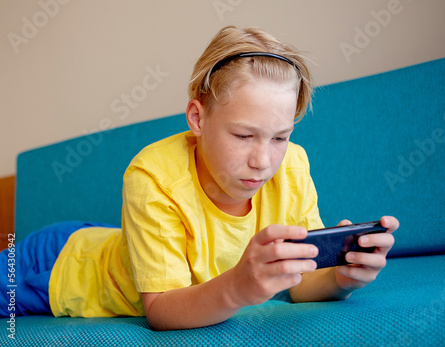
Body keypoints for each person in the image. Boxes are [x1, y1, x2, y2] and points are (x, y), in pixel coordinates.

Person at [0, 26, 398, 330]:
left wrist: (341, 278)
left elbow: (299, 282)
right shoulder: (151, 174)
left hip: (120, 245)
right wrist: (238, 286)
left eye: (280, 137)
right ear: (198, 118)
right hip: (61, 264)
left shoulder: (293, 166)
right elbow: (159, 310)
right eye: (243, 136)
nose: (263, 161)